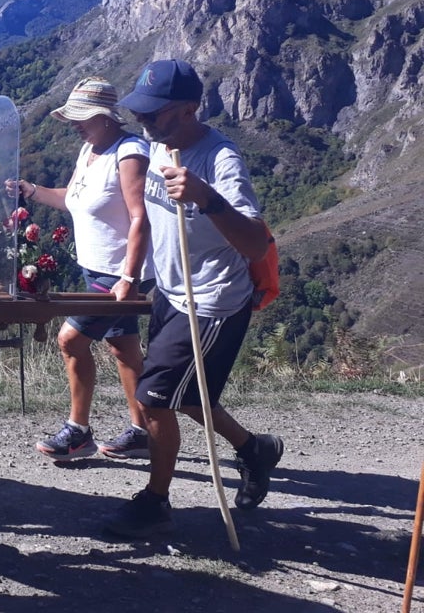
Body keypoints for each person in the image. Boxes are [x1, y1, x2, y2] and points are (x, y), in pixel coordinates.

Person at [104, 58, 284, 538]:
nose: (144, 121)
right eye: (141, 111)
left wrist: (208, 198)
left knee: (155, 399)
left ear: (188, 109)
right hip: (169, 292)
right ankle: (254, 449)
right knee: (185, 397)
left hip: (211, 303)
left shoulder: (221, 161)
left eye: (154, 113)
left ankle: (156, 501)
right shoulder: (158, 143)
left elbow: (254, 243)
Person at [8, 77, 155, 463]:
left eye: (82, 118)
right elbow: (73, 200)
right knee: (123, 348)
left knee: (70, 340)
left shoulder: (130, 152)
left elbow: (141, 217)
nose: (74, 124)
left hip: (119, 273)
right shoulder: (89, 150)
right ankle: (143, 434)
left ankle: (78, 432)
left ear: (106, 117)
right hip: (98, 269)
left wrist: (129, 278)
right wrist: (32, 190)